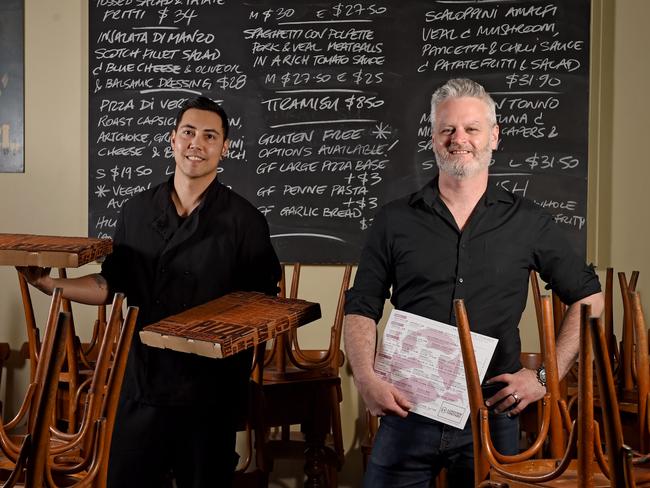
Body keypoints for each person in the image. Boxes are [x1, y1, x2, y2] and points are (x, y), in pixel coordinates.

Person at [343, 78, 603, 487]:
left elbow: (589, 297)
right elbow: (361, 306)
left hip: (494, 412)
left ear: (494, 137)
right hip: (409, 409)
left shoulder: (530, 222)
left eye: (471, 129)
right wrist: (365, 378)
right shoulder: (394, 220)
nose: (458, 139)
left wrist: (544, 379)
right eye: (447, 129)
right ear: (433, 138)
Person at [18, 96, 281, 487]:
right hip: (141, 381)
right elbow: (111, 285)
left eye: (210, 136)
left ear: (225, 148)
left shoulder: (246, 221)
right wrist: (50, 284)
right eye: (189, 132)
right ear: (173, 139)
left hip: (210, 392)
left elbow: (262, 304)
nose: (197, 143)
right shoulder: (137, 210)